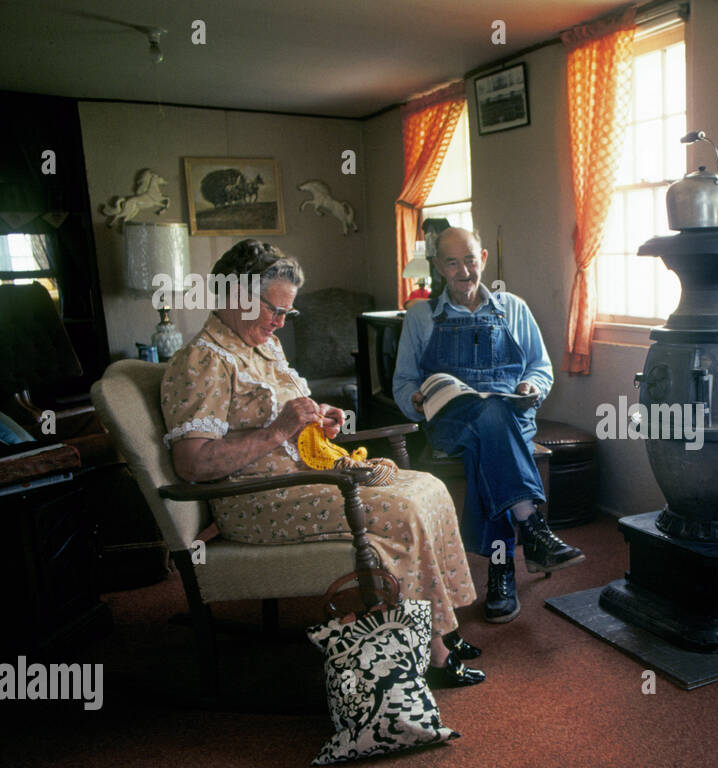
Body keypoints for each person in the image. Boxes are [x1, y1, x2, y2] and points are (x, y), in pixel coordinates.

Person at [160, 239, 485, 686]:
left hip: (301, 480)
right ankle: (433, 652)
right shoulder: (203, 360)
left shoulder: (260, 346)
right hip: (257, 500)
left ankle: (442, 625)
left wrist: (315, 420)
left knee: (429, 487)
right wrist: (277, 431)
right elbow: (193, 463)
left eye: (286, 313)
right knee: (404, 510)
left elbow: (285, 416)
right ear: (237, 296)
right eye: (274, 310)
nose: (279, 323)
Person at [392, 227, 583, 624]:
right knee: (488, 420)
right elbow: (403, 382)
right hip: (451, 421)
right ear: (439, 267)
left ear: (483, 257)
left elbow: (540, 367)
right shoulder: (421, 315)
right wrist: (414, 399)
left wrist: (532, 385)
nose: (464, 270)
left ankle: (502, 571)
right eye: (452, 262)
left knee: (492, 426)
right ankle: (529, 528)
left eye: (470, 260)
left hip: (511, 416)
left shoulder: (513, 307)